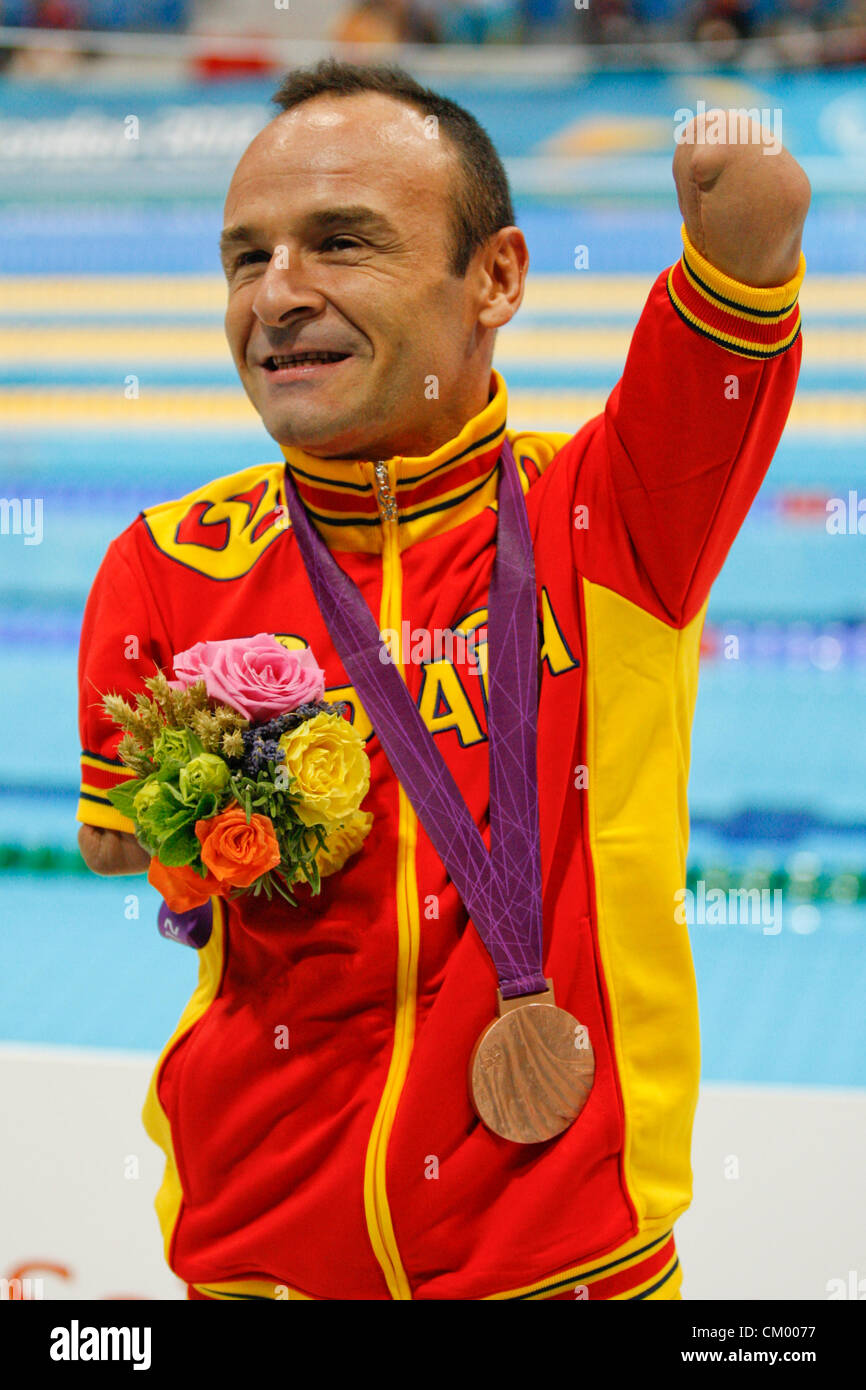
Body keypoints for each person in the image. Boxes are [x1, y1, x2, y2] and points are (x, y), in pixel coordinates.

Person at [77, 61, 809, 1301]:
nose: (278, 294)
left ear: (497, 278)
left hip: (561, 1261)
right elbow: (120, 850)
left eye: (339, 242)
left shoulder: (605, 522)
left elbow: (736, 285)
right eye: (244, 257)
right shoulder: (166, 561)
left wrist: (742, 194)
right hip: (254, 1258)